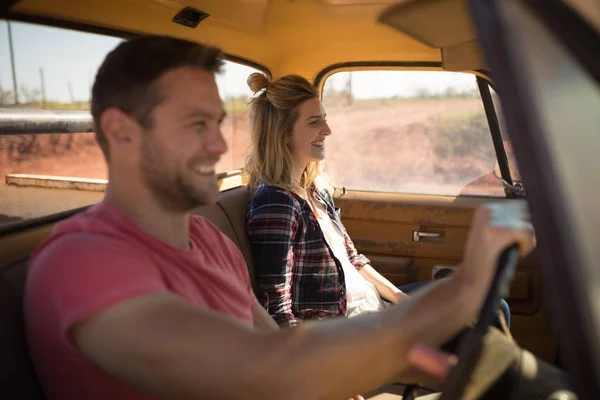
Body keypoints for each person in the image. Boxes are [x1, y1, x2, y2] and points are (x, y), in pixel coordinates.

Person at [24, 35, 536, 400]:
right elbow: (266, 372)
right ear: (121, 132)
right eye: (195, 124)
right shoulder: (83, 262)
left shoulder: (206, 239)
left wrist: (438, 366)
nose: (219, 144)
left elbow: (277, 340)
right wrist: (465, 288)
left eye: (219, 123)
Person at [244, 73, 511, 330]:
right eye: (314, 122)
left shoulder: (315, 191)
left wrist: (401, 300)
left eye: (324, 119)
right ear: (282, 134)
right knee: (488, 312)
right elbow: (278, 311)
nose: (327, 130)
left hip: (376, 309)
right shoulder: (275, 203)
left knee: (490, 303)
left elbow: (353, 260)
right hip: (349, 330)